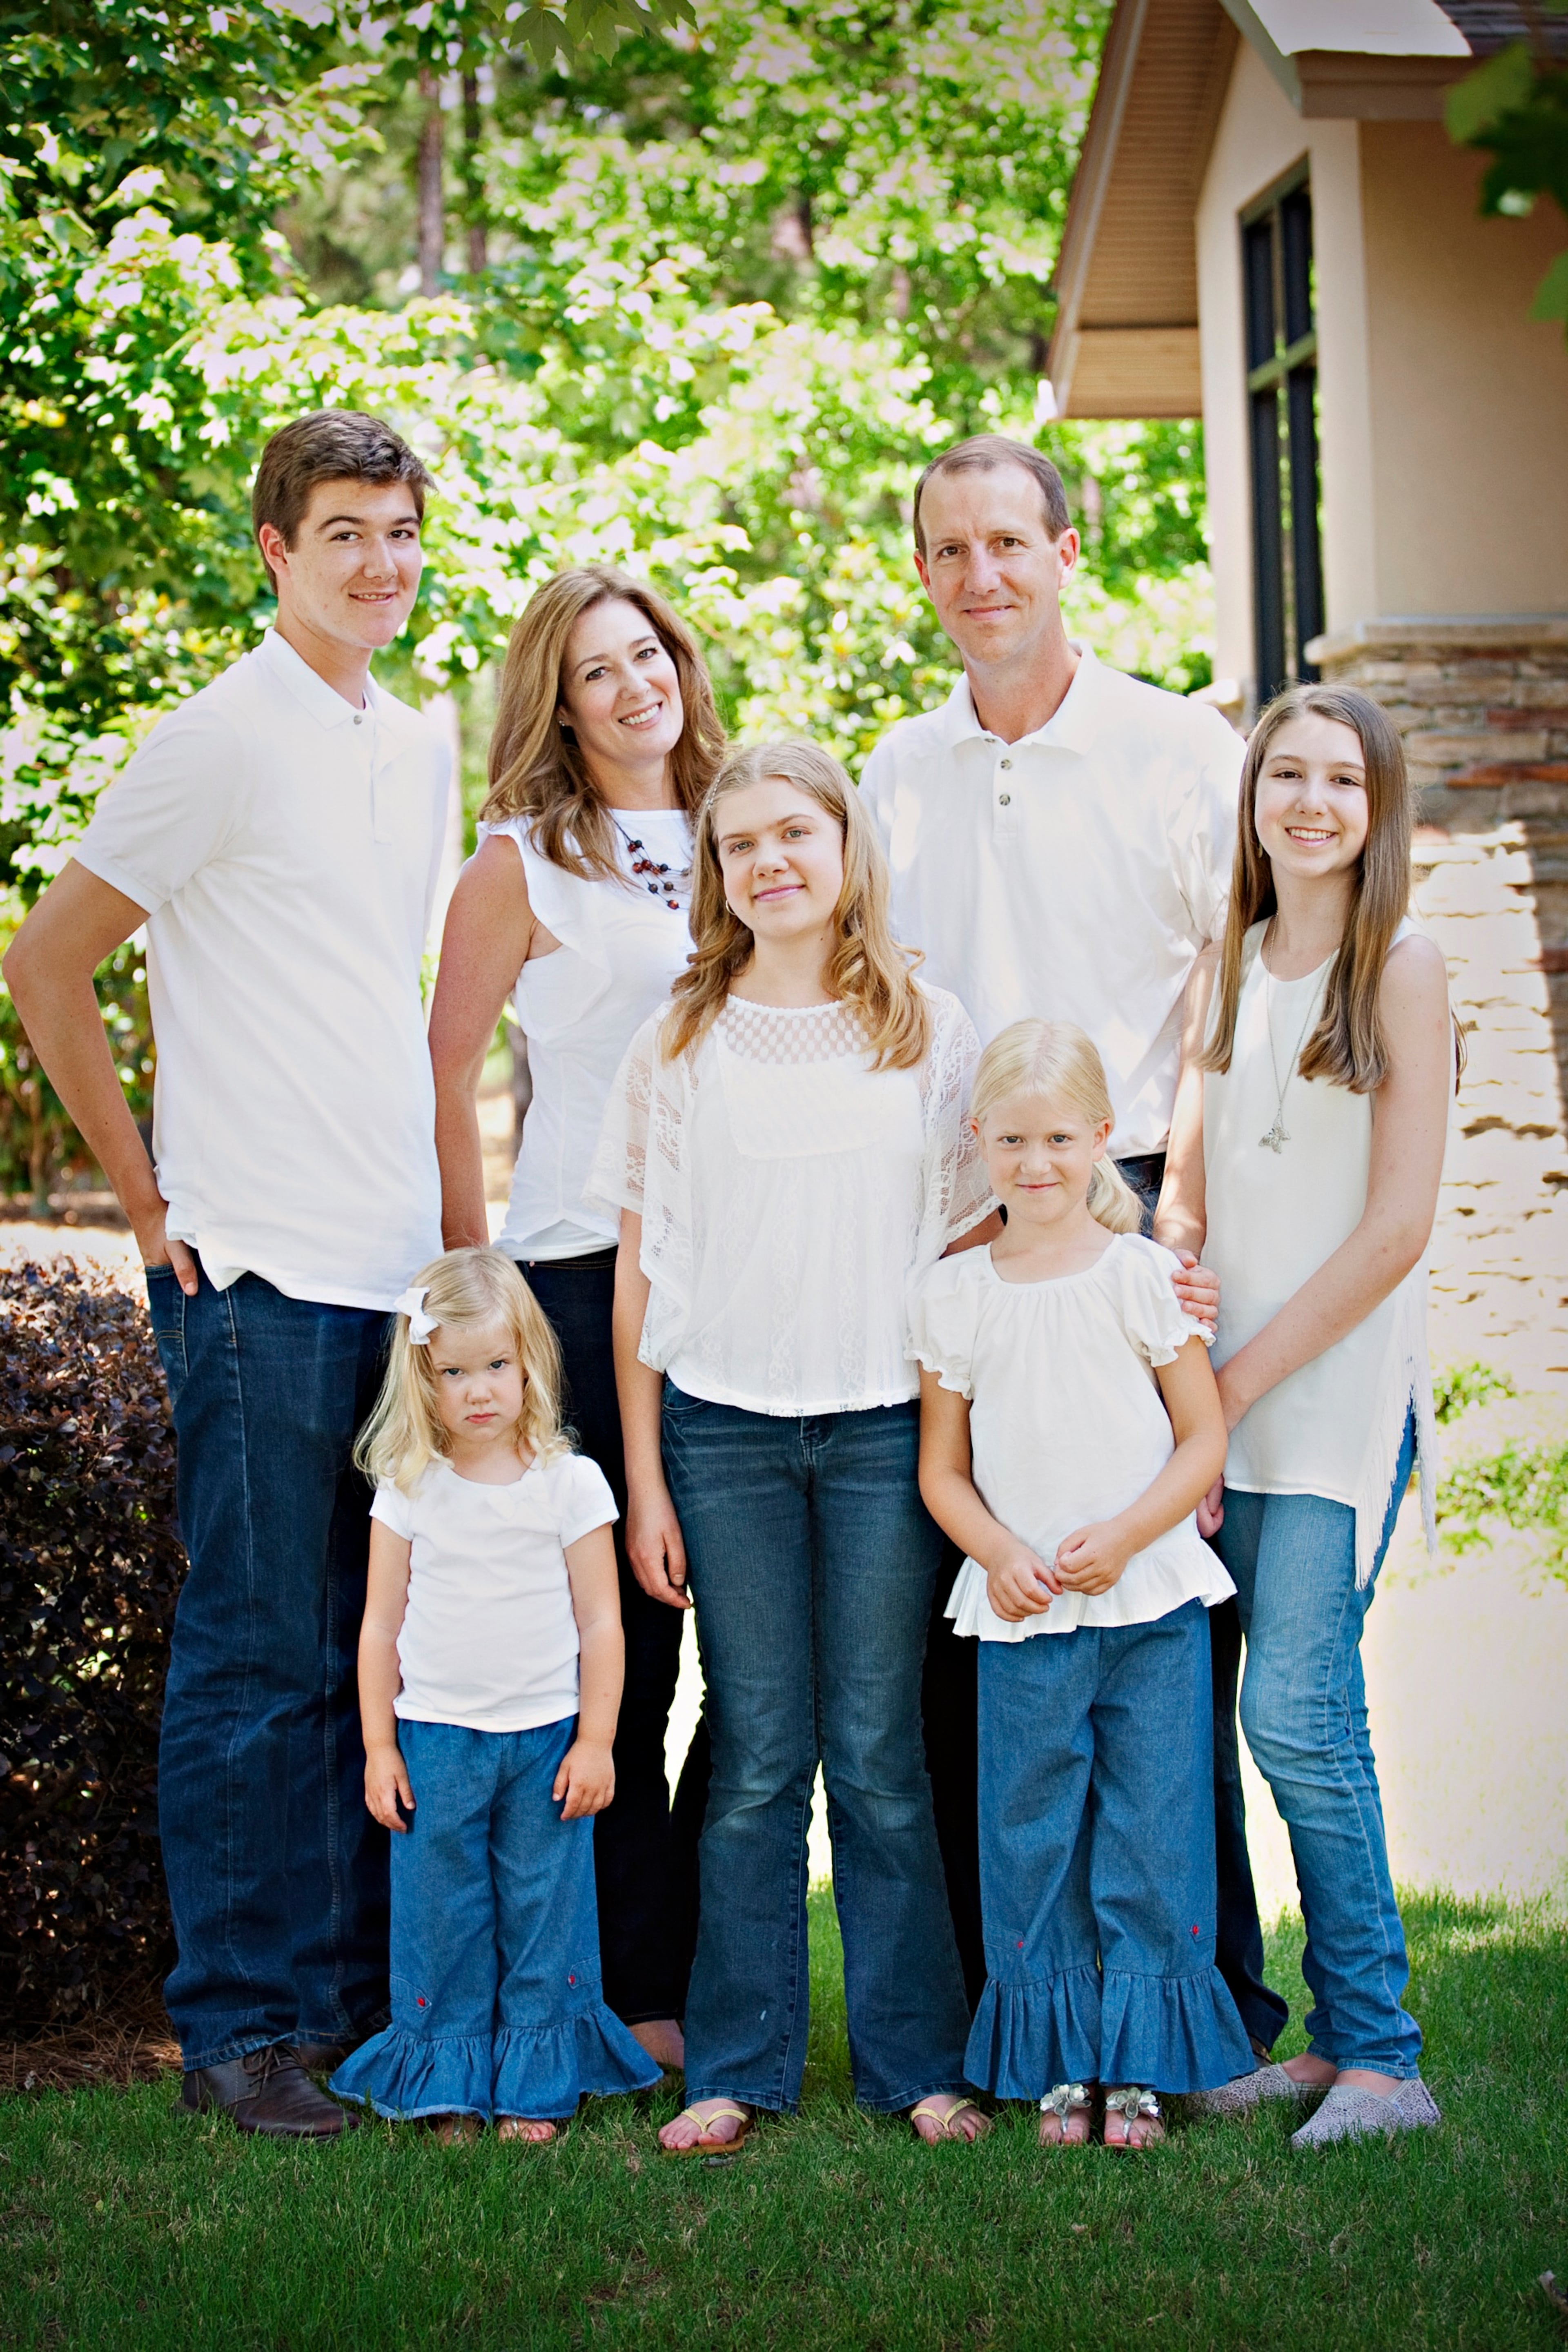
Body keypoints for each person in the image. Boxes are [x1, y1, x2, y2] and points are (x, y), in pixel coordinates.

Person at [3, 411, 452, 2137]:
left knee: (360, 1654)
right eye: (343, 532)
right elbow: (47, 968)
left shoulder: (415, 744)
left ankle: (340, 2012)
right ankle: (237, 2033)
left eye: (399, 533)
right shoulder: (213, 738)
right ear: (274, 547)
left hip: (392, 1267)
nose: (377, 564)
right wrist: (143, 1198)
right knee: (257, 1659)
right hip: (253, 1265)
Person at [860, 430, 1283, 2057]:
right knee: (994, 1616)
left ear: (1066, 551)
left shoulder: (1181, 748)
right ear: (922, 573)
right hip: (975, 1221)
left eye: (1008, 545)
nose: (982, 578)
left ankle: (1213, 2000)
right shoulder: (896, 772)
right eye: (950, 551)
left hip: (1143, 1195)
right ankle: (1016, 2008)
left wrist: (1172, 1205)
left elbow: (1231, 986)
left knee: (1172, 1626)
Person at [590, 741, 992, 2154]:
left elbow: (972, 1245)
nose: (769, 862)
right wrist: (644, 1476)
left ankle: (917, 2063)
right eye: (740, 844)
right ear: (717, 874)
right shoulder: (680, 1041)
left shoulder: (927, 1028)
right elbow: (640, 1272)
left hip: (888, 1429)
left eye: (794, 835)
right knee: (757, 1751)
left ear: (845, 847)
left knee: (882, 1752)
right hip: (725, 1432)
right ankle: (738, 2064)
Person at [428, 565, 724, 2076]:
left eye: (649, 654)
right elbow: (452, 1070)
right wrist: (473, 1288)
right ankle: (632, 1990)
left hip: (739, 1280)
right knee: (626, 1658)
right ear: (558, 699)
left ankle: (719, 1966)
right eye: (596, 670)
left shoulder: (750, 827)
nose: (632, 686)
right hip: (570, 1277)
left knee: (754, 1653)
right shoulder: (521, 862)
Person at [1157, 685, 1451, 2149]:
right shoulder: (1230, 958)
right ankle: (1334, 2045)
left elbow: (1398, 1228)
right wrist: (1173, 1297)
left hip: (1327, 1405)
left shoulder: (1403, 968)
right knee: (1243, 1715)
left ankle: (1389, 2059)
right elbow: (1189, 1182)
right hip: (1220, 1397)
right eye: (1289, 775)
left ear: (1376, 805)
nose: (1313, 801)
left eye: (1342, 778)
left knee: (1297, 1714)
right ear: (1256, 796)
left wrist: (1240, 1382)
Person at [913, 1020, 1252, 2149]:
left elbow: (1200, 1440)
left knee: (1153, 1828)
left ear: (1106, 1136)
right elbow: (942, 1469)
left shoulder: (1141, 1277)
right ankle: (1063, 2067)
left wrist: (1125, 1532)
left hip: (1148, 1603)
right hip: (1023, 1615)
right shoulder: (958, 1296)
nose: (1037, 1162)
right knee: (1032, 1832)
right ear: (979, 1139)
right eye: (1012, 1139)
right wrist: (998, 1553)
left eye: (1061, 1137)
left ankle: (1143, 2068)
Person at [329, 1247, 661, 2139]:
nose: (479, 1390)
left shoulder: (570, 1484)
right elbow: (379, 1630)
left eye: (497, 1366)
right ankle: (448, 2079)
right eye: (456, 1371)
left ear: (530, 1363)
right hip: (435, 1743)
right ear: (422, 1378)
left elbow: (602, 1626)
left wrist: (596, 1741)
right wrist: (380, 1748)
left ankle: (533, 2082)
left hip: (547, 1742)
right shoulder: (409, 1492)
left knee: (545, 1910)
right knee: (443, 1918)